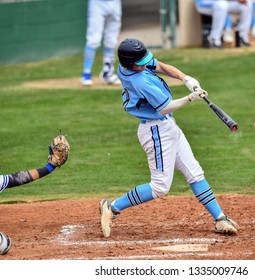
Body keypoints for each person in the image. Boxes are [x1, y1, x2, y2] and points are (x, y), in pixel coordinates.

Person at [99, 38, 239, 238]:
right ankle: (112, 207)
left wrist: (186, 78)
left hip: (167, 126)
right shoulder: (140, 81)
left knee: (194, 172)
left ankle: (220, 218)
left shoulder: (133, 65)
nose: (146, 64)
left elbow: (162, 66)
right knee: (160, 187)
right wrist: (189, 98)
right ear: (130, 63)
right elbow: (164, 107)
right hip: (156, 131)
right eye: (141, 62)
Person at [81, 0, 122, 86]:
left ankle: (107, 73)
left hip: (115, 3)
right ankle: (86, 73)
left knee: (112, 40)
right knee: (94, 39)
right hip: (97, 3)